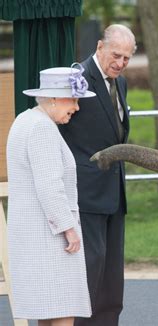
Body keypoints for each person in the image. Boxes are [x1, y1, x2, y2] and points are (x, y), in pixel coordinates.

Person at [6, 64, 96, 326]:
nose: (76, 108)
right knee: (63, 308)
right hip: (50, 238)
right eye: (74, 100)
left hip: (34, 236)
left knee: (48, 311)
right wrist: (68, 228)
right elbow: (49, 185)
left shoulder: (25, 120)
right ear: (54, 98)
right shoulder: (42, 128)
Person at [59, 24, 136, 326]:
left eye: (127, 58)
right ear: (100, 47)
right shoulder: (76, 78)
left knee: (112, 277)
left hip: (114, 191)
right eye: (116, 55)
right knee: (90, 270)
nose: (120, 63)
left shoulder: (122, 83)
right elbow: (60, 127)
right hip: (85, 191)